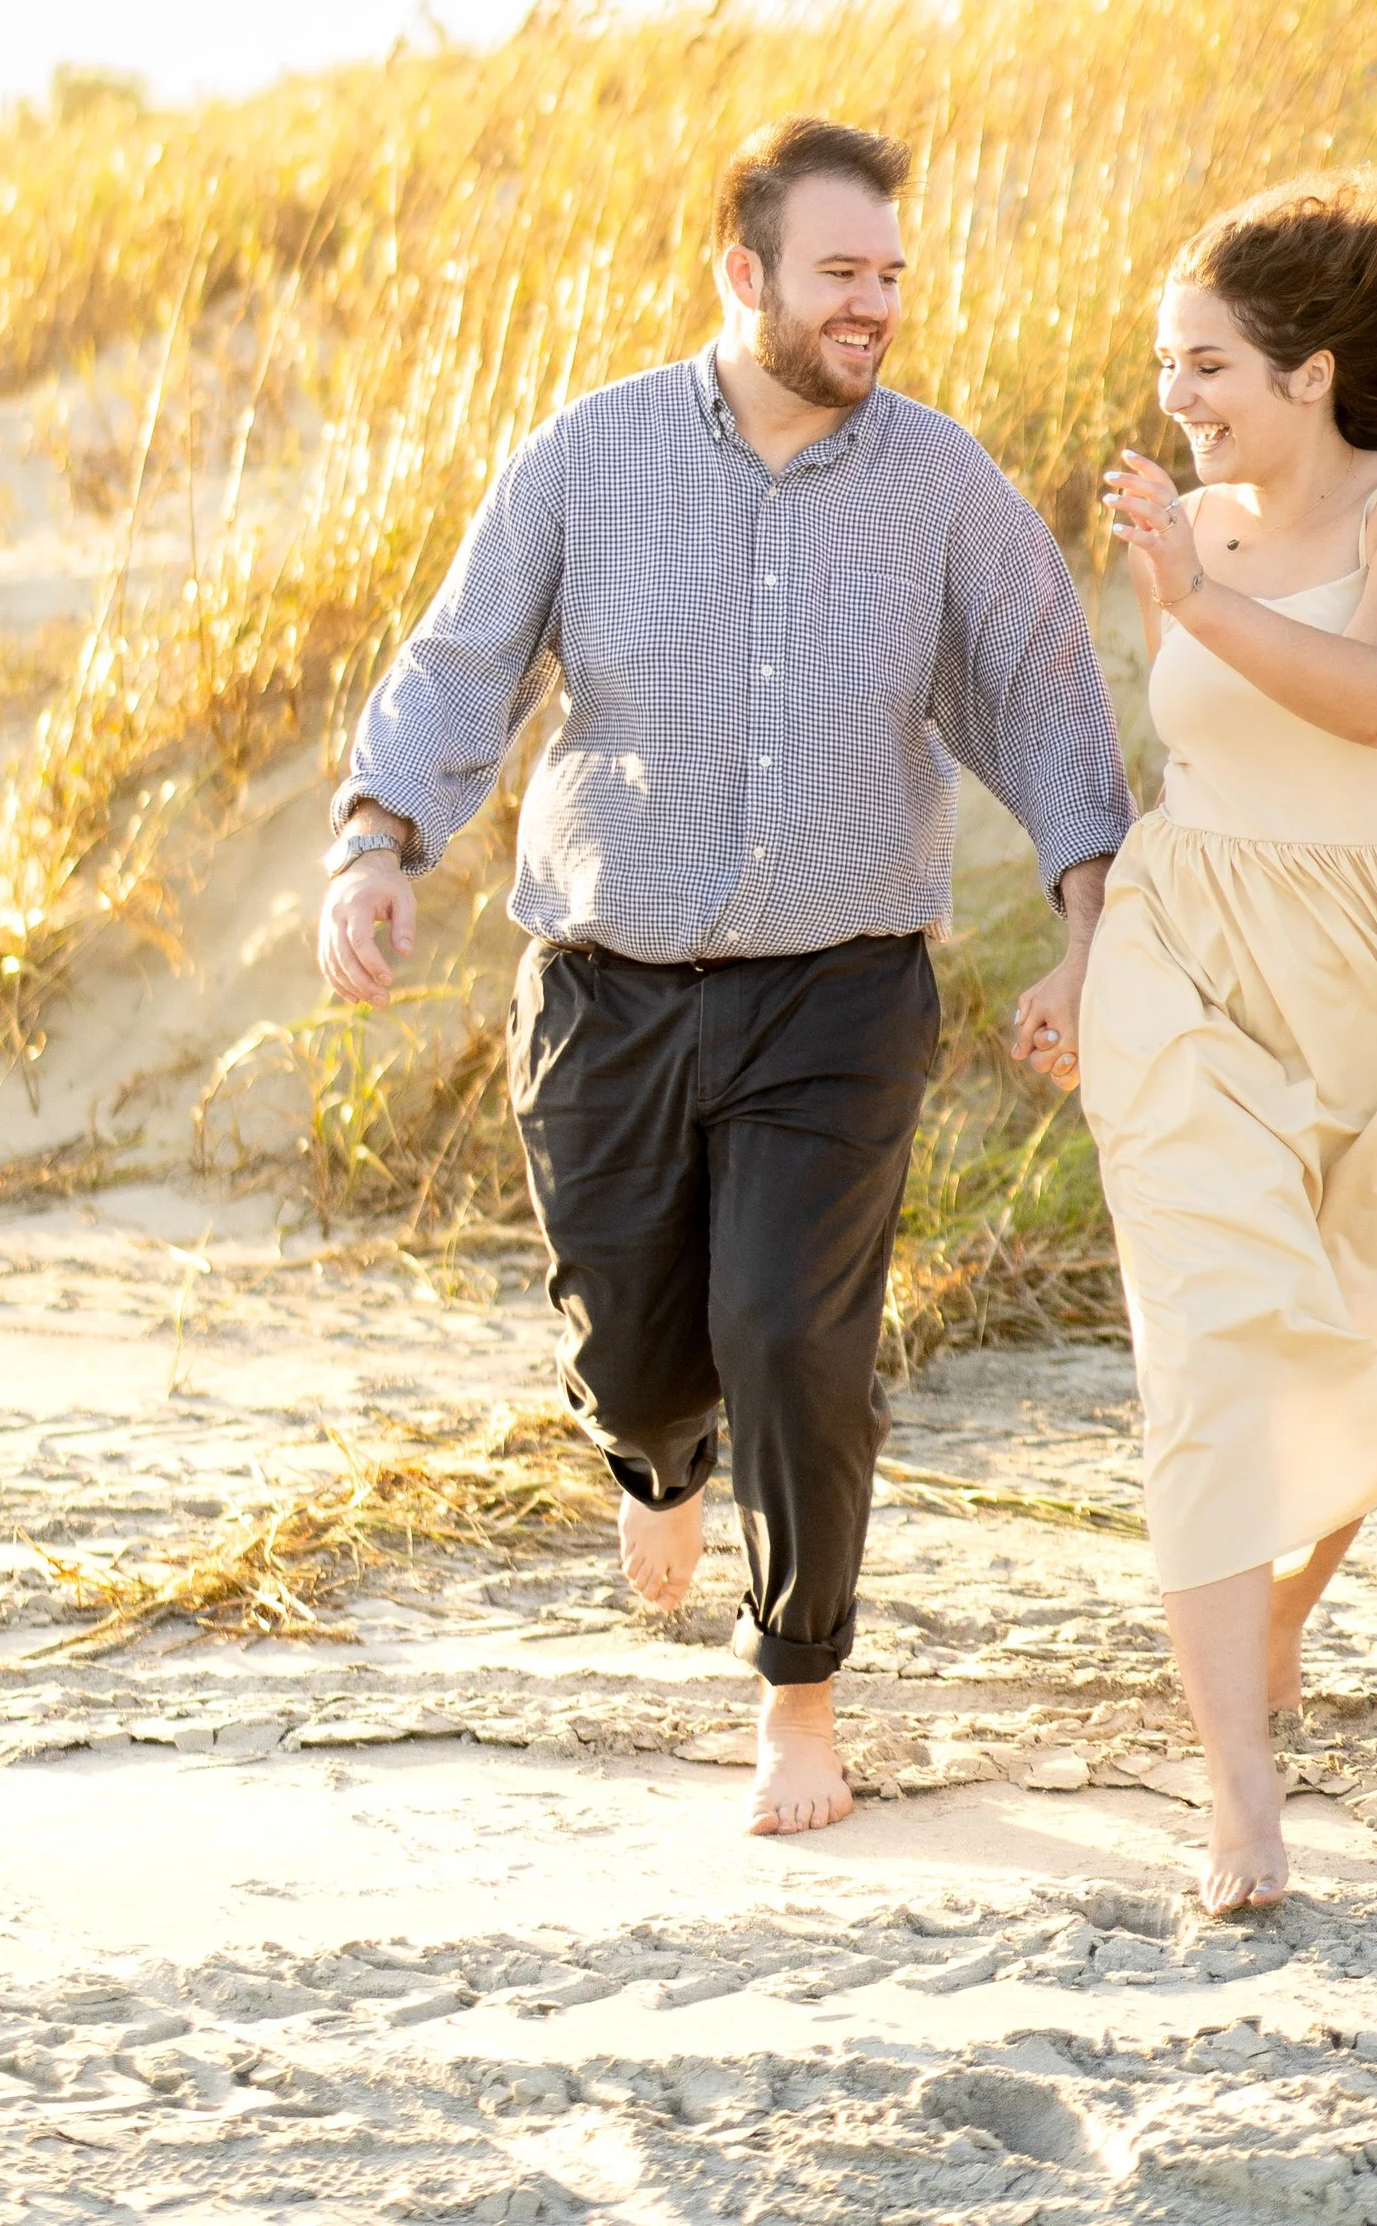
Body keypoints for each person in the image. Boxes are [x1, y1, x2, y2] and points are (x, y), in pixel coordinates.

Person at [316, 114, 1132, 1837]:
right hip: (607, 985)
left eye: (890, 273)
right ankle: (658, 1457)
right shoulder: (587, 455)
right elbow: (462, 664)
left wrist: (1088, 925)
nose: (874, 303)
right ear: (742, 272)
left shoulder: (940, 483)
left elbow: (1048, 696)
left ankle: (799, 1696)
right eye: (840, 271)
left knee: (791, 1334)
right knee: (633, 1356)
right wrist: (377, 844)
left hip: (840, 989)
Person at [1017, 167, 1377, 1914]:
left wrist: (1200, 595)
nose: (1177, 395)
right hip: (1192, 942)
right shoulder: (1188, 531)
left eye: (1208, 364)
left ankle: (1280, 1618)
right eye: (1167, 362)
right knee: (1206, 1343)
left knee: (1368, 1319)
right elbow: (1177, 759)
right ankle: (1237, 1793)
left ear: (1310, 372)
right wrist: (1086, 954)